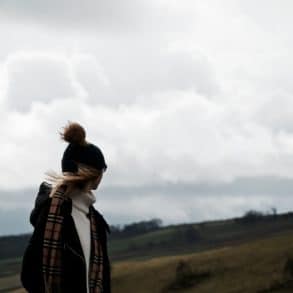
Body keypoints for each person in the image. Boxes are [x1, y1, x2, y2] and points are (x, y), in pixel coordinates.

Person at [20, 121, 111, 293]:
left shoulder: (96, 223)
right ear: (94, 173)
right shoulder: (50, 213)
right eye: (102, 170)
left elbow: (104, 281)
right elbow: (30, 275)